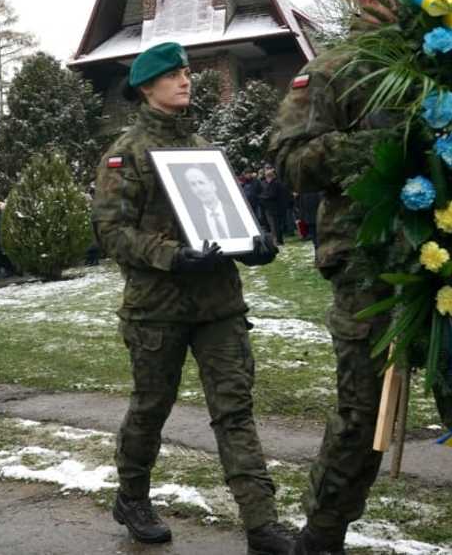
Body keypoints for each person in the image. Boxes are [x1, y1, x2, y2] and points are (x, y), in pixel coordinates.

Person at [269, 0, 452, 555]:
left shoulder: (450, 62)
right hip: (370, 266)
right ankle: (321, 535)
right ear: (376, 0)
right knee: (361, 415)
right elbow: (290, 159)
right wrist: (376, 147)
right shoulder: (334, 70)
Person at [91, 41, 292, 555]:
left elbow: (228, 219)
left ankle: (261, 524)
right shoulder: (127, 152)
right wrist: (173, 256)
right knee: (151, 408)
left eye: (186, 73)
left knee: (235, 411)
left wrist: (254, 245)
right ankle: (132, 496)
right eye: (174, 75)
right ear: (146, 86)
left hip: (218, 305)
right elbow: (112, 233)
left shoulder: (205, 147)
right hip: (157, 308)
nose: (186, 80)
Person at [178, 165, 247, 240]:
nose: (199, 189)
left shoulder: (238, 212)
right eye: (193, 184)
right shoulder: (192, 221)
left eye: (201, 182)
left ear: (213, 185)